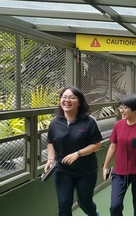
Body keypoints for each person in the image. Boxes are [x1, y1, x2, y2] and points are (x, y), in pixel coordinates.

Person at [45, 86, 103, 216]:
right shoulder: (55, 123)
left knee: (85, 202)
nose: (67, 100)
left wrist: (78, 154)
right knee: (64, 205)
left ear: (80, 102)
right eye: (64, 97)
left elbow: (97, 144)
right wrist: (50, 159)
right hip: (63, 170)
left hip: (86, 171)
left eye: (72, 97)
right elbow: (50, 142)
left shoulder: (89, 121)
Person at [102, 95, 136, 216]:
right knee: (115, 207)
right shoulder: (118, 125)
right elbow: (112, 146)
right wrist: (105, 166)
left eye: (125, 108)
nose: (121, 110)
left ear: (135, 109)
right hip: (119, 173)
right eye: (120, 108)